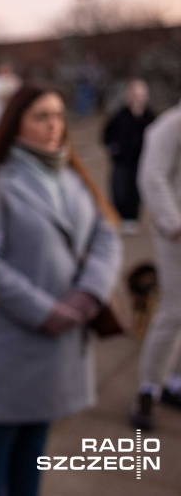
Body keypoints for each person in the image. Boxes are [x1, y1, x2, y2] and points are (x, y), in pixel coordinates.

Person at [0, 83, 122, 496]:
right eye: (41, 116)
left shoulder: (72, 175)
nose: (54, 126)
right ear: (15, 124)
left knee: (36, 443)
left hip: (65, 333)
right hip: (15, 338)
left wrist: (87, 295)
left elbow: (108, 237)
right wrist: (46, 311)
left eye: (59, 116)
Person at [131, 100, 181, 431]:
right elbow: (152, 176)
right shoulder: (172, 123)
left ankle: (174, 381)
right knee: (174, 311)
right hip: (176, 236)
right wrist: (173, 223)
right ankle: (148, 388)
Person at [102, 78, 155, 235]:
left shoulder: (149, 116)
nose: (137, 99)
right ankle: (118, 217)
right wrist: (114, 148)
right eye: (134, 94)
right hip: (122, 160)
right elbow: (106, 134)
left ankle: (132, 218)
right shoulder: (120, 115)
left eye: (140, 95)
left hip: (141, 160)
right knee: (119, 189)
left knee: (135, 190)